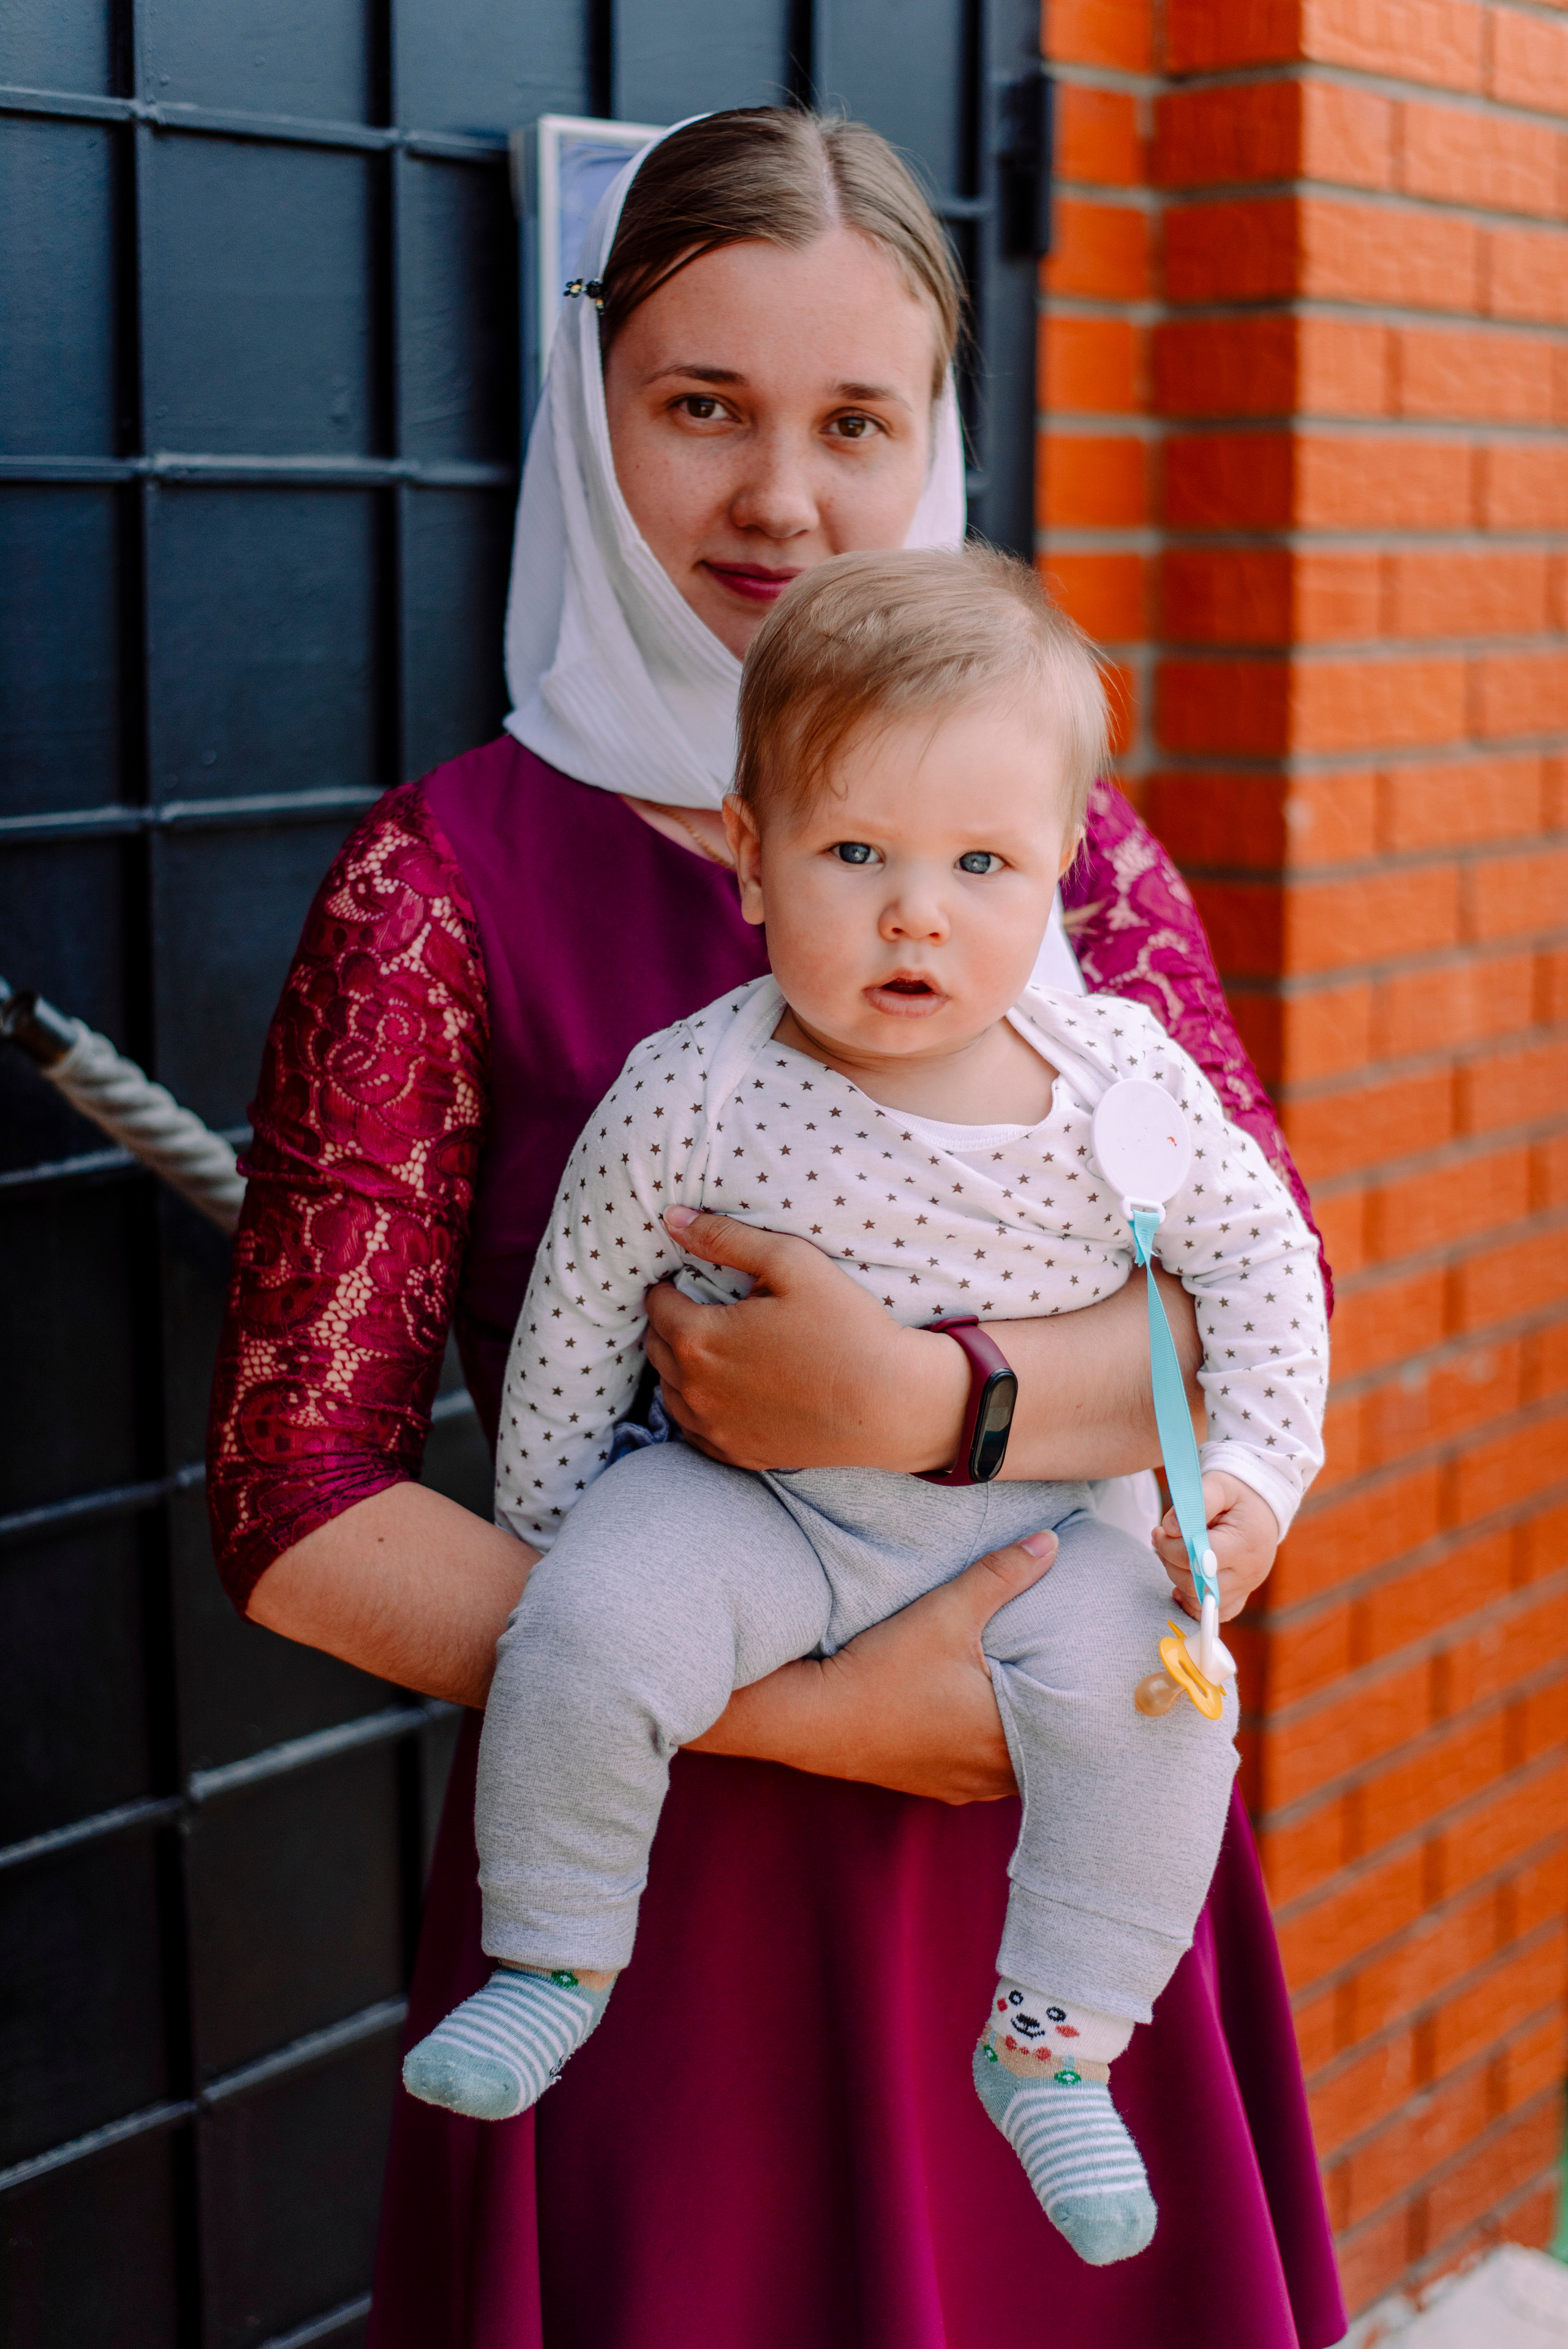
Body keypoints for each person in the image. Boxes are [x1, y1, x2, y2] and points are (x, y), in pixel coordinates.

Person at [208, 108, 1346, 2349]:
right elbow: (297, 1496)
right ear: (590, 404)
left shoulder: (1067, 861)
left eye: (856, 422)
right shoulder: (441, 888)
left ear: (937, 443)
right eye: (701, 407)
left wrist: (937, 1401)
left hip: (1060, 1852)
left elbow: (1260, 1309)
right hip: (655, 1881)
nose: (783, 501)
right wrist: (816, 1712)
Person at [400, 547, 1330, 2279]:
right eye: (856, 854)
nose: (919, 912)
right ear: (750, 858)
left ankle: (1056, 2038)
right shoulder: (698, 1084)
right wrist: (558, 1521)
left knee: (1164, 1713)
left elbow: (1267, 1276)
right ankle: (552, 1955)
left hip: (1043, 1525)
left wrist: (1255, 1487)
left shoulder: (1120, 1082)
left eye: (981, 863)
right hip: (760, 1512)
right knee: (591, 1620)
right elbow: (584, 1308)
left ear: (1062, 865)